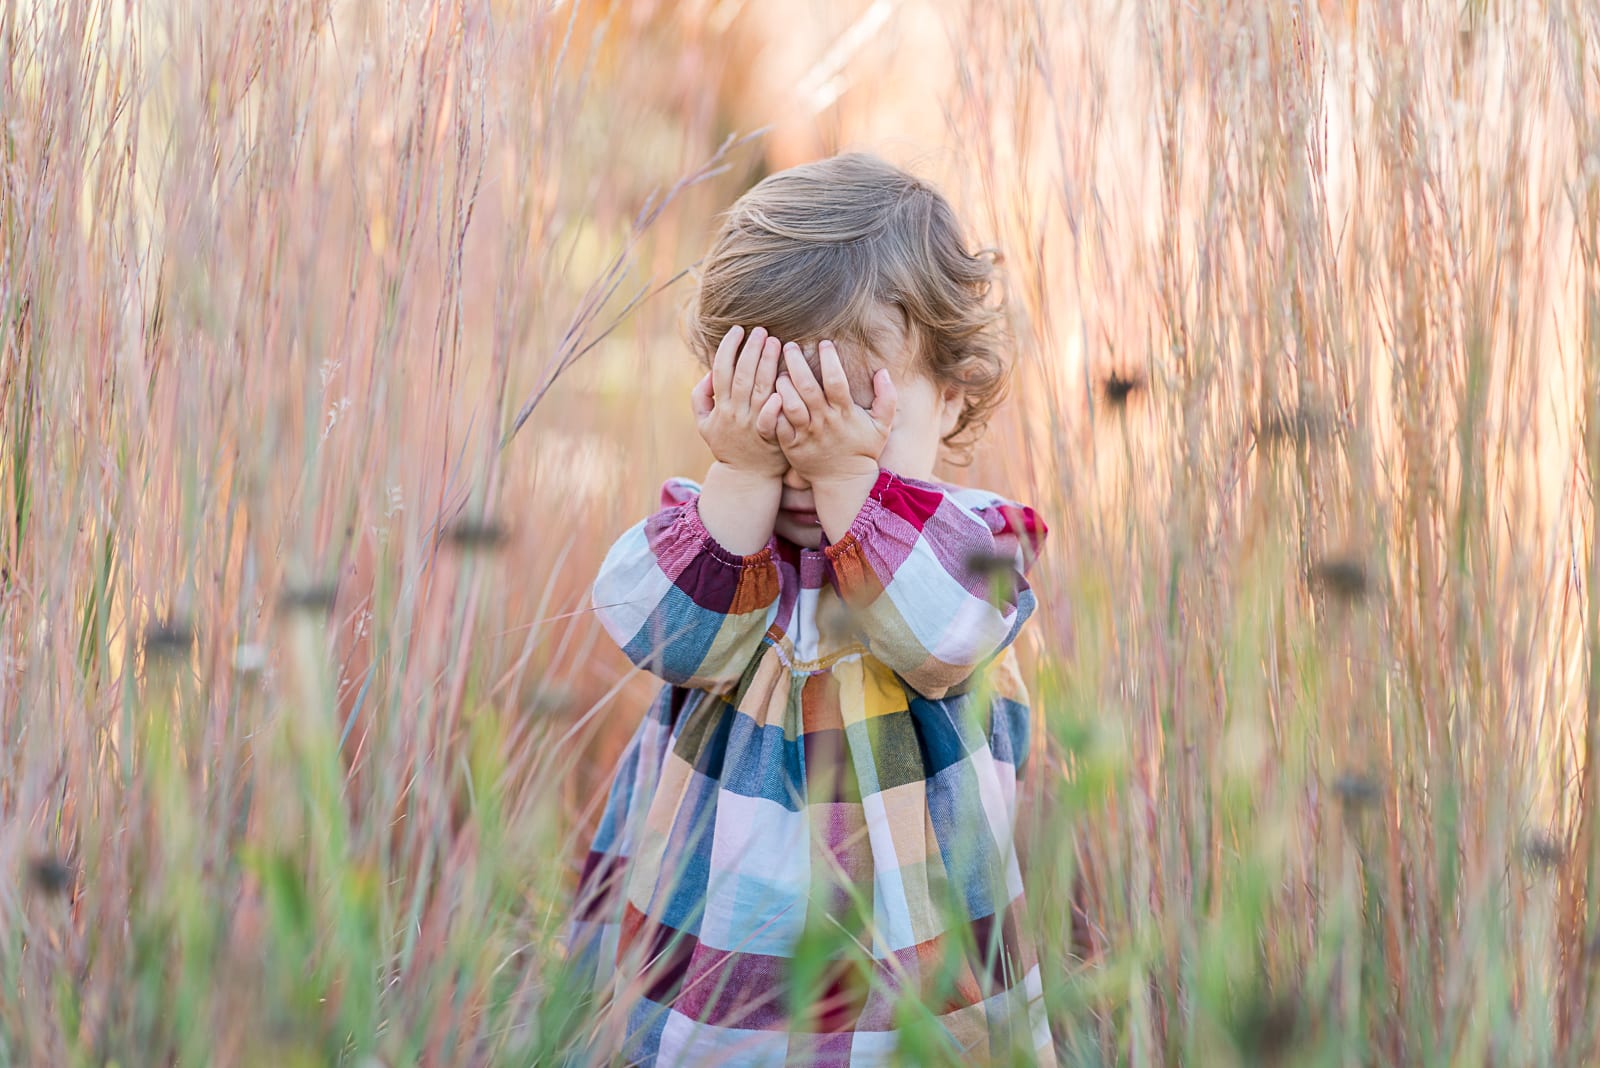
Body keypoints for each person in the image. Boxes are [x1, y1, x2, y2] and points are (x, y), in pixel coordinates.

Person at [567, 153, 1054, 1067]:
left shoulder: (978, 541)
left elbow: (941, 634)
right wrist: (742, 476)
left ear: (950, 400)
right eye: (775, 411)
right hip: (710, 967)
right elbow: (657, 635)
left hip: (903, 980)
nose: (806, 448)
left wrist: (848, 484)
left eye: (849, 410)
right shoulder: (718, 537)